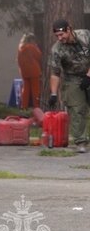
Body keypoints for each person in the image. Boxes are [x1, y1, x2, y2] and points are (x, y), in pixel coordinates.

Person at [48, 19, 90, 154]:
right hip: (72, 79)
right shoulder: (57, 49)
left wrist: (88, 76)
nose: (60, 38)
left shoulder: (85, 35)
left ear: (69, 29)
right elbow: (55, 73)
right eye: (57, 36)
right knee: (77, 109)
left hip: (88, 73)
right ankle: (81, 141)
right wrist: (53, 94)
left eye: (62, 35)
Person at [16, 33, 44, 111]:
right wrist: (36, 47)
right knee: (36, 89)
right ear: (31, 40)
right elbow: (39, 55)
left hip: (24, 71)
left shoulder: (20, 47)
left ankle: (24, 106)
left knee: (26, 89)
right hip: (34, 71)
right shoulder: (31, 47)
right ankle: (37, 107)